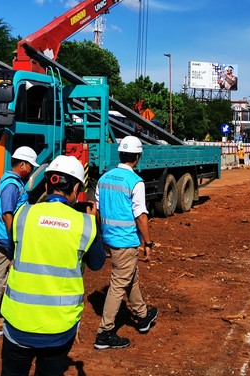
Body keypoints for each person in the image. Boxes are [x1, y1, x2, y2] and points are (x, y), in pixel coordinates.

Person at [0, 155, 105, 375]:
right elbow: (97, 264)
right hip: (59, 328)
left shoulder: (23, 214)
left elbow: (11, 253)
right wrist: (95, 221)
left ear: (47, 185)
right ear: (76, 188)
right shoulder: (85, 224)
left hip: (18, 323)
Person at [94, 135, 158, 349]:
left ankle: (142, 316)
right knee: (118, 284)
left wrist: (102, 236)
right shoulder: (135, 182)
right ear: (138, 157)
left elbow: (98, 210)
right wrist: (148, 243)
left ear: (120, 154)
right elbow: (140, 216)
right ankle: (105, 333)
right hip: (126, 241)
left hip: (110, 238)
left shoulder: (104, 178)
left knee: (130, 276)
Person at [0, 146, 38, 329]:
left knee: (2, 274)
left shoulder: (10, 181)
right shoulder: (12, 185)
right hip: (6, 238)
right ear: (22, 164)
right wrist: (13, 239)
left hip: (4, 237)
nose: (31, 170)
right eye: (30, 166)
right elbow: (7, 214)